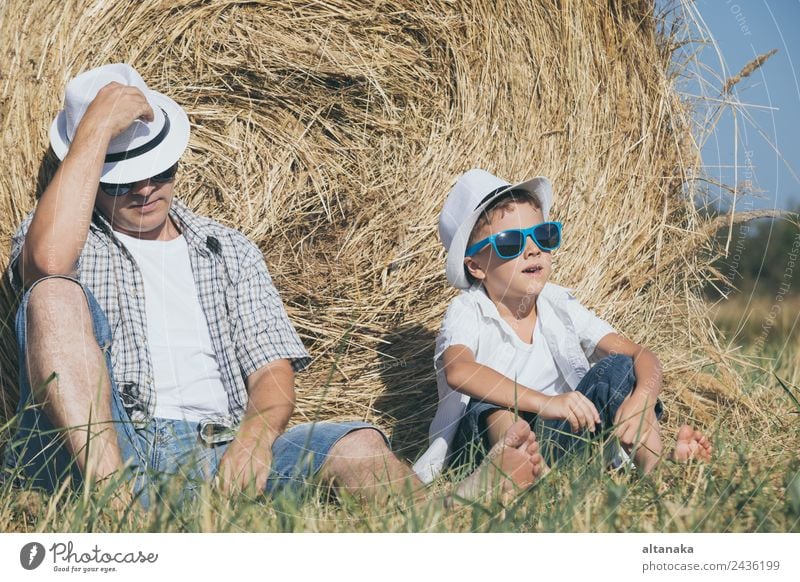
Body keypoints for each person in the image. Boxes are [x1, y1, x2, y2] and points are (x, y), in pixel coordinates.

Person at [2, 65, 542, 510]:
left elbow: (271, 371)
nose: (145, 189)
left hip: (217, 447)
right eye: (122, 177)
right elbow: (47, 264)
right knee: (51, 293)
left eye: (159, 171)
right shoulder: (65, 237)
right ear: (90, 171)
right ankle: (113, 507)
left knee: (358, 444)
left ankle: (444, 514)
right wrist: (94, 130)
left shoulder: (228, 249)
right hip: (100, 444)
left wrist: (255, 442)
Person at [413, 169, 712, 484]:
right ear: (475, 266)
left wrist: (643, 398)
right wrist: (546, 402)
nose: (532, 249)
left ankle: (657, 470)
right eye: (509, 242)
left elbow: (642, 356)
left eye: (542, 236)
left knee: (620, 368)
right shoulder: (468, 310)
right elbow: (459, 372)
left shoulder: (558, 304)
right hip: (480, 448)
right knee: (492, 402)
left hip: (556, 438)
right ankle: (511, 472)